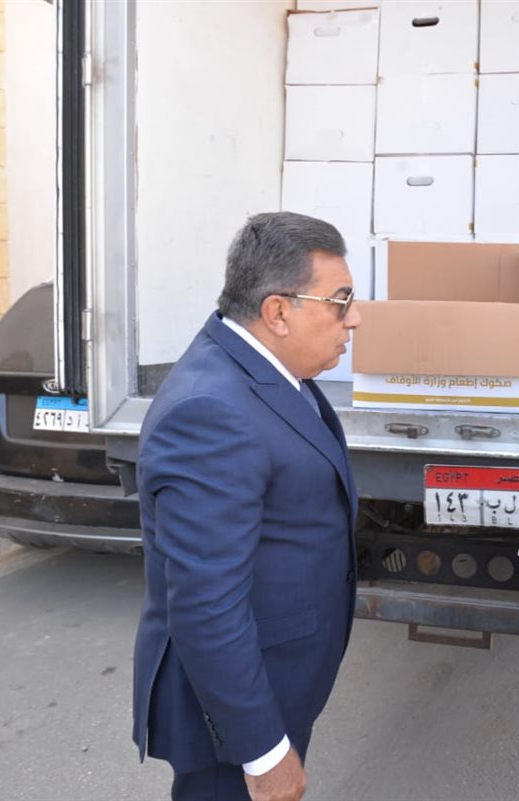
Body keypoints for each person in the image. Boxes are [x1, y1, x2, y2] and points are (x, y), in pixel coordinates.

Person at [131, 212, 362, 801]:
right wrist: (263, 752)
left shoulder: (271, 370)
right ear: (278, 311)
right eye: (340, 301)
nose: (354, 317)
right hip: (232, 724)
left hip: (277, 677)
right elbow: (205, 602)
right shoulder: (210, 411)